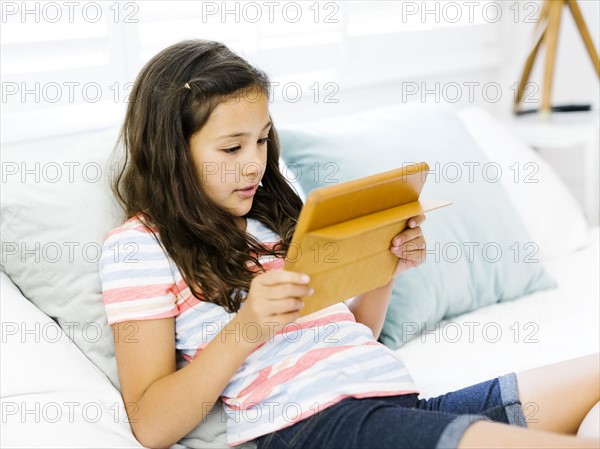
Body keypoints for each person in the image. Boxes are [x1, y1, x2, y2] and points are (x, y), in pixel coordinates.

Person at [99, 39, 599, 449]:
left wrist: (383, 271)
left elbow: (350, 338)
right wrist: (248, 327)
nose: (254, 163)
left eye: (262, 140)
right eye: (232, 147)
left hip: (393, 409)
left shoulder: (271, 222)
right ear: (170, 151)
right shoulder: (139, 247)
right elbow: (151, 423)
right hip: (318, 429)